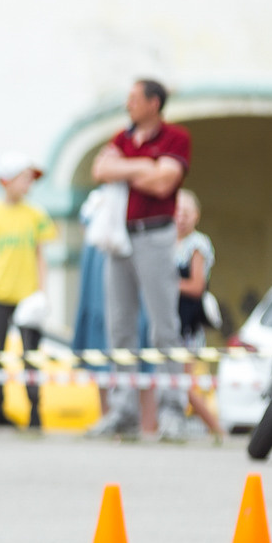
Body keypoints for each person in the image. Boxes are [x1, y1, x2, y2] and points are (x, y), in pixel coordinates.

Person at [87, 79, 188, 438]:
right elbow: (100, 170)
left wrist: (126, 168)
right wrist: (145, 166)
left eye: (134, 98)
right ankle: (124, 409)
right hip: (120, 237)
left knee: (164, 326)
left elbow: (165, 184)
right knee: (121, 326)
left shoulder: (176, 138)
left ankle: (172, 410)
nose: (128, 104)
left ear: (154, 102)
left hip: (156, 234)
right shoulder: (122, 136)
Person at [0, 154, 53, 429]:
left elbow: (41, 255)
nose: (28, 184)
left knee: (31, 356)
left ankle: (35, 411)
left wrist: (42, 292)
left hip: (28, 295)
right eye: (24, 177)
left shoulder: (36, 215)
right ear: (6, 180)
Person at [173, 189, 219, 439]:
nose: (180, 217)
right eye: (177, 212)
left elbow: (196, 285)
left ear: (196, 216)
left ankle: (217, 430)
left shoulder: (197, 244)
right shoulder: (168, 242)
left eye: (186, 213)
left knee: (185, 386)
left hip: (188, 324)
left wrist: (167, 285)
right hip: (171, 322)